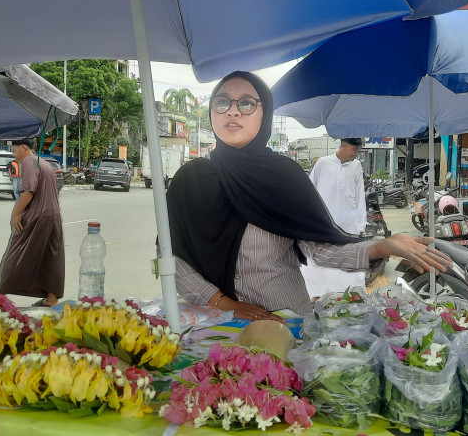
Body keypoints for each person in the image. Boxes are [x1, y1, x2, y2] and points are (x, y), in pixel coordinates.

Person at [166, 71, 450, 320]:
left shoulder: (284, 175)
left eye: (247, 103)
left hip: (284, 317)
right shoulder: (190, 180)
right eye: (222, 102)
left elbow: (320, 249)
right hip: (213, 326)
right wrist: (226, 304)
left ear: (265, 113)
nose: (233, 112)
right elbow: (171, 258)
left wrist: (383, 247)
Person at [0, 138, 65, 307]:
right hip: (53, 215)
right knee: (51, 256)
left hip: (37, 215)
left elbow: (29, 190)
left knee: (15, 254)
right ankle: (52, 298)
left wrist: (16, 213)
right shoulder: (44, 163)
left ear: (24, 147)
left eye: (15, 150)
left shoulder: (29, 161)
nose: (14, 154)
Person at [302, 138, 368, 297]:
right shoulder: (323, 163)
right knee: (319, 266)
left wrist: (361, 225)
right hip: (324, 225)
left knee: (348, 268)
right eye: (354, 149)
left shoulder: (356, 166)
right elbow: (309, 192)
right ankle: (318, 298)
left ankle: (348, 299)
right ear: (343, 146)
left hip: (348, 226)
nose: (356, 154)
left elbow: (359, 195)